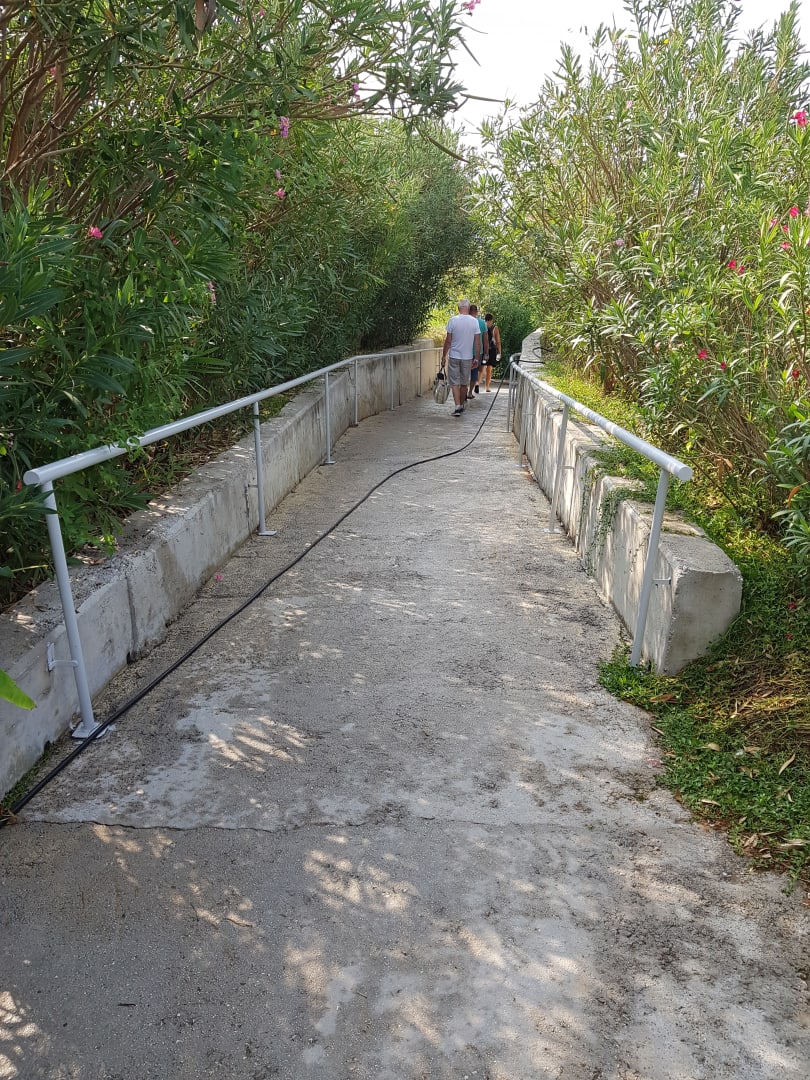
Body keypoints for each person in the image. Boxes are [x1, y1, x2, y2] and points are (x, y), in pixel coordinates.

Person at [441, 299, 481, 416]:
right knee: (464, 383)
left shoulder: (453, 320)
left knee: (454, 382)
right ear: (468, 308)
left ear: (458, 308)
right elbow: (477, 342)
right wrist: (476, 358)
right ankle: (461, 405)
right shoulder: (474, 322)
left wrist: (444, 356)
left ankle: (457, 406)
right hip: (467, 357)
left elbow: (448, 341)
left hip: (454, 356)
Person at [468, 304, 488, 398]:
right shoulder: (482, 323)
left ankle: (463, 391)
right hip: (477, 352)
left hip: (465, 352)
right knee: (474, 373)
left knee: (464, 373)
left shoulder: (465, 321)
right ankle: (469, 393)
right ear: (476, 312)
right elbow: (485, 339)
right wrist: (486, 353)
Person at [482, 313, 501, 391]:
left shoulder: (482, 327)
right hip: (492, 350)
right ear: (492, 320)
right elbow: (498, 341)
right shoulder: (495, 328)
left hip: (483, 349)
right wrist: (499, 352)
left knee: (481, 368)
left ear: (485, 319)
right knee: (489, 369)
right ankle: (487, 387)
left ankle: (477, 384)